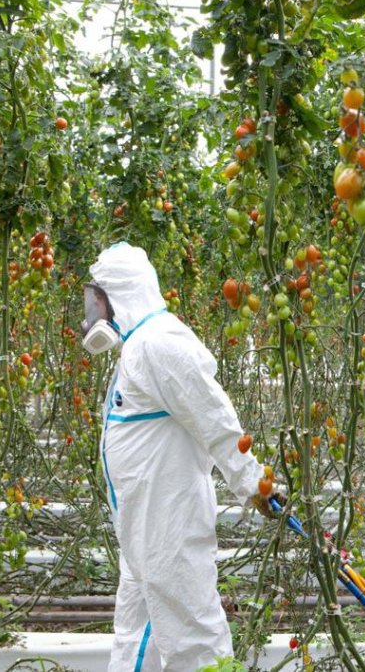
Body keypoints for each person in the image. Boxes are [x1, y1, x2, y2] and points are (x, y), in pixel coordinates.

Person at [80, 242, 280, 671]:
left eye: (97, 302)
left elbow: (215, 417)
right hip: (144, 526)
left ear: (120, 297)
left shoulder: (159, 343)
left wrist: (251, 482)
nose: (93, 314)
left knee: (191, 634)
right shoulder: (139, 346)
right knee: (138, 632)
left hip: (166, 523)